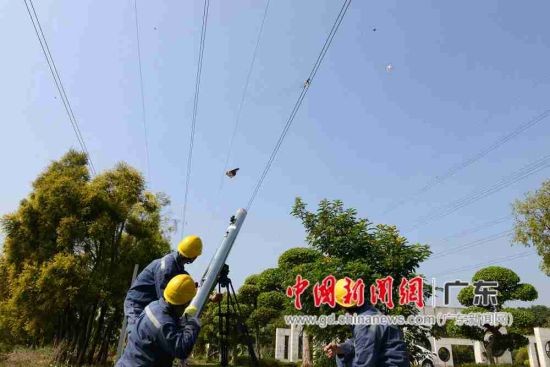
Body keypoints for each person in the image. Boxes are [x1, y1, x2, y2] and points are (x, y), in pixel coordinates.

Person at [116, 274, 201, 367]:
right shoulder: (162, 324)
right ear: (184, 304)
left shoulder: (154, 306)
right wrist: (193, 322)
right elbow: (182, 349)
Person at [124, 235, 203, 331]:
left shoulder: (177, 267)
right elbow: (167, 300)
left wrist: (205, 295)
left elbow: (186, 290)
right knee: (136, 336)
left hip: (149, 305)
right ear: (194, 257)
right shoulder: (167, 268)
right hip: (138, 305)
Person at [324, 279, 410, 367]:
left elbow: (363, 363)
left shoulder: (365, 324)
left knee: (347, 359)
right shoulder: (370, 313)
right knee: (345, 355)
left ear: (340, 305)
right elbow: (359, 342)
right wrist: (340, 348)